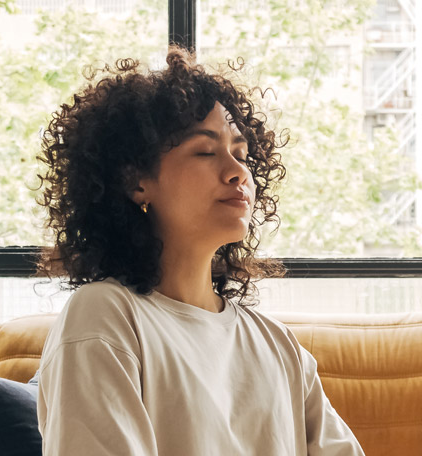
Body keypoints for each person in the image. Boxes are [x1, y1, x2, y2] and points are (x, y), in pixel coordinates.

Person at [31, 46, 363, 456]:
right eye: (206, 151)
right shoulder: (105, 316)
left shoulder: (278, 345)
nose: (238, 171)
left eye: (242, 155)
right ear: (137, 182)